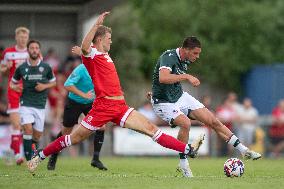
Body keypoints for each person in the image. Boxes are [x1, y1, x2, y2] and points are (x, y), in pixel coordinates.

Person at [27, 12, 204, 175]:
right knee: (73, 138)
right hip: (102, 107)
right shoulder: (91, 55)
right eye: (109, 38)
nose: (111, 41)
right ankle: (40, 156)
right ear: (99, 39)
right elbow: (84, 46)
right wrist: (96, 25)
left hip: (119, 106)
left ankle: (188, 150)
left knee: (152, 130)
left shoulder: (105, 55)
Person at [150, 36, 261, 177]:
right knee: (185, 123)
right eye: (195, 53)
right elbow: (163, 78)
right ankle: (183, 164)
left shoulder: (185, 60)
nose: (197, 57)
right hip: (163, 101)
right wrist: (187, 77)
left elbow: (164, 81)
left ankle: (244, 150)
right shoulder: (169, 56)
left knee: (213, 120)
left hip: (179, 96)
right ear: (185, 49)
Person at [47, 46, 107, 171]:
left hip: (91, 103)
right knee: (66, 133)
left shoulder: (101, 68)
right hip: (74, 102)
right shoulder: (80, 69)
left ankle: (95, 159)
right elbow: (67, 85)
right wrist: (83, 94)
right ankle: (54, 155)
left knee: (101, 126)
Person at [10, 40, 56, 162]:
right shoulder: (22, 67)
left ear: (39, 50)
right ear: (28, 50)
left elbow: (54, 82)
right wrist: (15, 87)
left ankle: (29, 149)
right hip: (26, 103)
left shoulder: (46, 67)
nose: (34, 50)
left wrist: (44, 86)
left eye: (36, 48)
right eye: (32, 48)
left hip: (40, 105)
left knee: (37, 135)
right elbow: (12, 83)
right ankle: (29, 158)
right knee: (28, 129)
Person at [0, 27, 30, 165]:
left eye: (25, 37)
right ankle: (18, 155)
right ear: (16, 38)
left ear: (27, 38)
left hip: (29, 92)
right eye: (21, 37)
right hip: (13, 90)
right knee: (16, 123)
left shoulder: (32, 52)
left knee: (26, 126)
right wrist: (6, 68)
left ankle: (13, 147)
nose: (23, 39)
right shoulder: (8, 53)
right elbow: (3, 71)